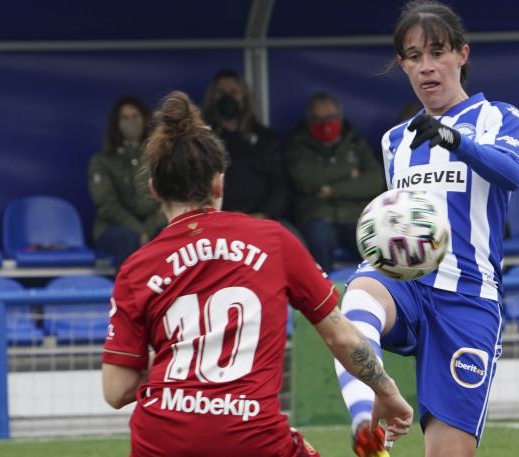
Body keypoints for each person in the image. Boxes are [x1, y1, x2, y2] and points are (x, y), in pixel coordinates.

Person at [101, 90, 413, 457]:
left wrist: (179, 353)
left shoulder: (137, 267)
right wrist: (388, 393)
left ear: (153, 189)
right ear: (219, 182)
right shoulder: (273, 241)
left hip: (161, 441)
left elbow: (116, 390)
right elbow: (342, 337)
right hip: (251, 437)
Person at [335, 1, 519, 456]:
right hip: (405, 279)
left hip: (466, 298)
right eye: (414, 56)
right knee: (358, 295)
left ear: (462, 54)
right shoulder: (394, 140)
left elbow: (511, 173)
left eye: (437, 52)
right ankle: (368, 417)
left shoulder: (498, 117)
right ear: (402, 64)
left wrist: (454, 139)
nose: (427, 67)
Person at [285, 92, 386, 273]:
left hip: (356, 215)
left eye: (331, 118)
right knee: (320, 240)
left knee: (380, 244)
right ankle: (325, 296)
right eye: (318, 119)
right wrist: (350, 174)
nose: (325, 124)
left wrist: (332, 189)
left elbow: (375, 180)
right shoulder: (297, 143)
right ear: (309, 120)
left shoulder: (354, 142)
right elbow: (306, 178)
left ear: (340, 117)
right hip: (317, 215)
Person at [201, 69, 291, 221]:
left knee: (297, 242)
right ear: (212, 97)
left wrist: (264, 214)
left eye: (233, 92)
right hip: (215, 220)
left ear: (243, 98)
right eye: (221, 92)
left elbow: (280, 185)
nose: (227, 97)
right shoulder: (200, 139)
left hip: (260, 219)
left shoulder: (265, 138)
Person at [88, 96, 165, 268]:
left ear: (145, 119)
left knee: (170, 234)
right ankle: (130, 294)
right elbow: (107, 205)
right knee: (127, 239)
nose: (131, 122)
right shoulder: (102, 161)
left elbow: (167, 199)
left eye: (135, 116)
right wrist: (140, 231)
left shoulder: (159, 157)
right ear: (116, 123)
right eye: (125, 118)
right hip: (113, 227)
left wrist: (148, 229)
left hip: (154, 224)